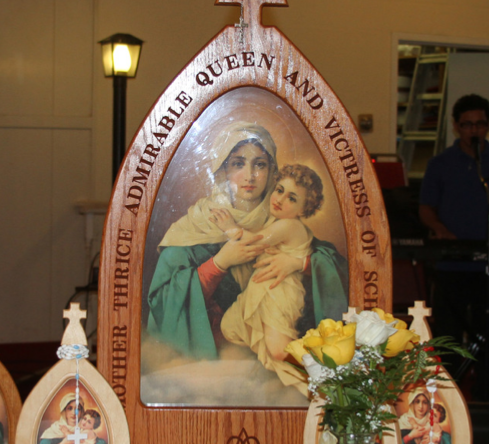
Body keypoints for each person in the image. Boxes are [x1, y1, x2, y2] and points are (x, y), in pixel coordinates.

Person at [146, 122, 348, 366]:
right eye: (238, 164)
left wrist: (300, 263)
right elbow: (163, 302)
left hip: (267, 362)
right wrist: (220, 263)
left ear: (272, 171)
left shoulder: (283, 218)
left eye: (260, 165)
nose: (250, 176)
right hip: (210, 364)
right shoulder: (197, 225)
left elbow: (335, 268)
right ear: (223, 170)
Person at [419, 94, 489, 398]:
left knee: (486, 333)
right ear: (457, 127)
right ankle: (449, 397)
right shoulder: (440, 164)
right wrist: (440, 229)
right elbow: (426, 208)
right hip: (452, 264)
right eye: (468, 125)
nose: (474, 130)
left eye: (480, 124)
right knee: (449, 334)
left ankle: (485, 394)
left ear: (488, 126)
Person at [214, 164, 325, 393]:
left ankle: (320, 384)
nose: (280, 199)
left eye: (292, 198)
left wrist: (230, 228)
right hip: (265, 289)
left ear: (304, 208)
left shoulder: (290, 225)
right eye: (279, 190)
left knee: (278, 349)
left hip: (280, 292)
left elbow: (255, 243)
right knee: (232, 326)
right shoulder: (279, 223)